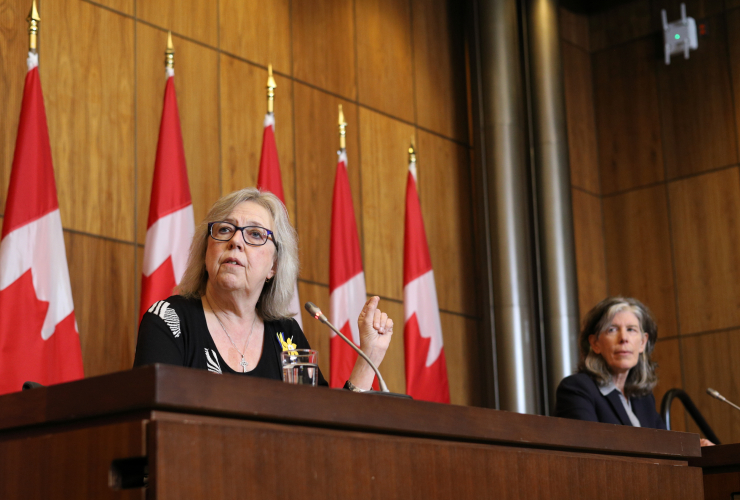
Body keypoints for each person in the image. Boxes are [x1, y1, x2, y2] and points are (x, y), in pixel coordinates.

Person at [133, 188, 393, 391]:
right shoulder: (169, 320)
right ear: (206, 252)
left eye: (256, 234)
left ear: (274, 266)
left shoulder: (287, 337)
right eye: (224, 229)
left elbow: (323, 427)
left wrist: (368, 356)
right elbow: (156, 420)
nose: (235, 241)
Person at [555, 297, 667, 429]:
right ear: (595, 343)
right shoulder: (577, 389)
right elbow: (587, 447)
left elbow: (665, 446)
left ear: (642, 342)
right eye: (612, 330)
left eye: (631, 329)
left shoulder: (643, 398)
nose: (624, 338)